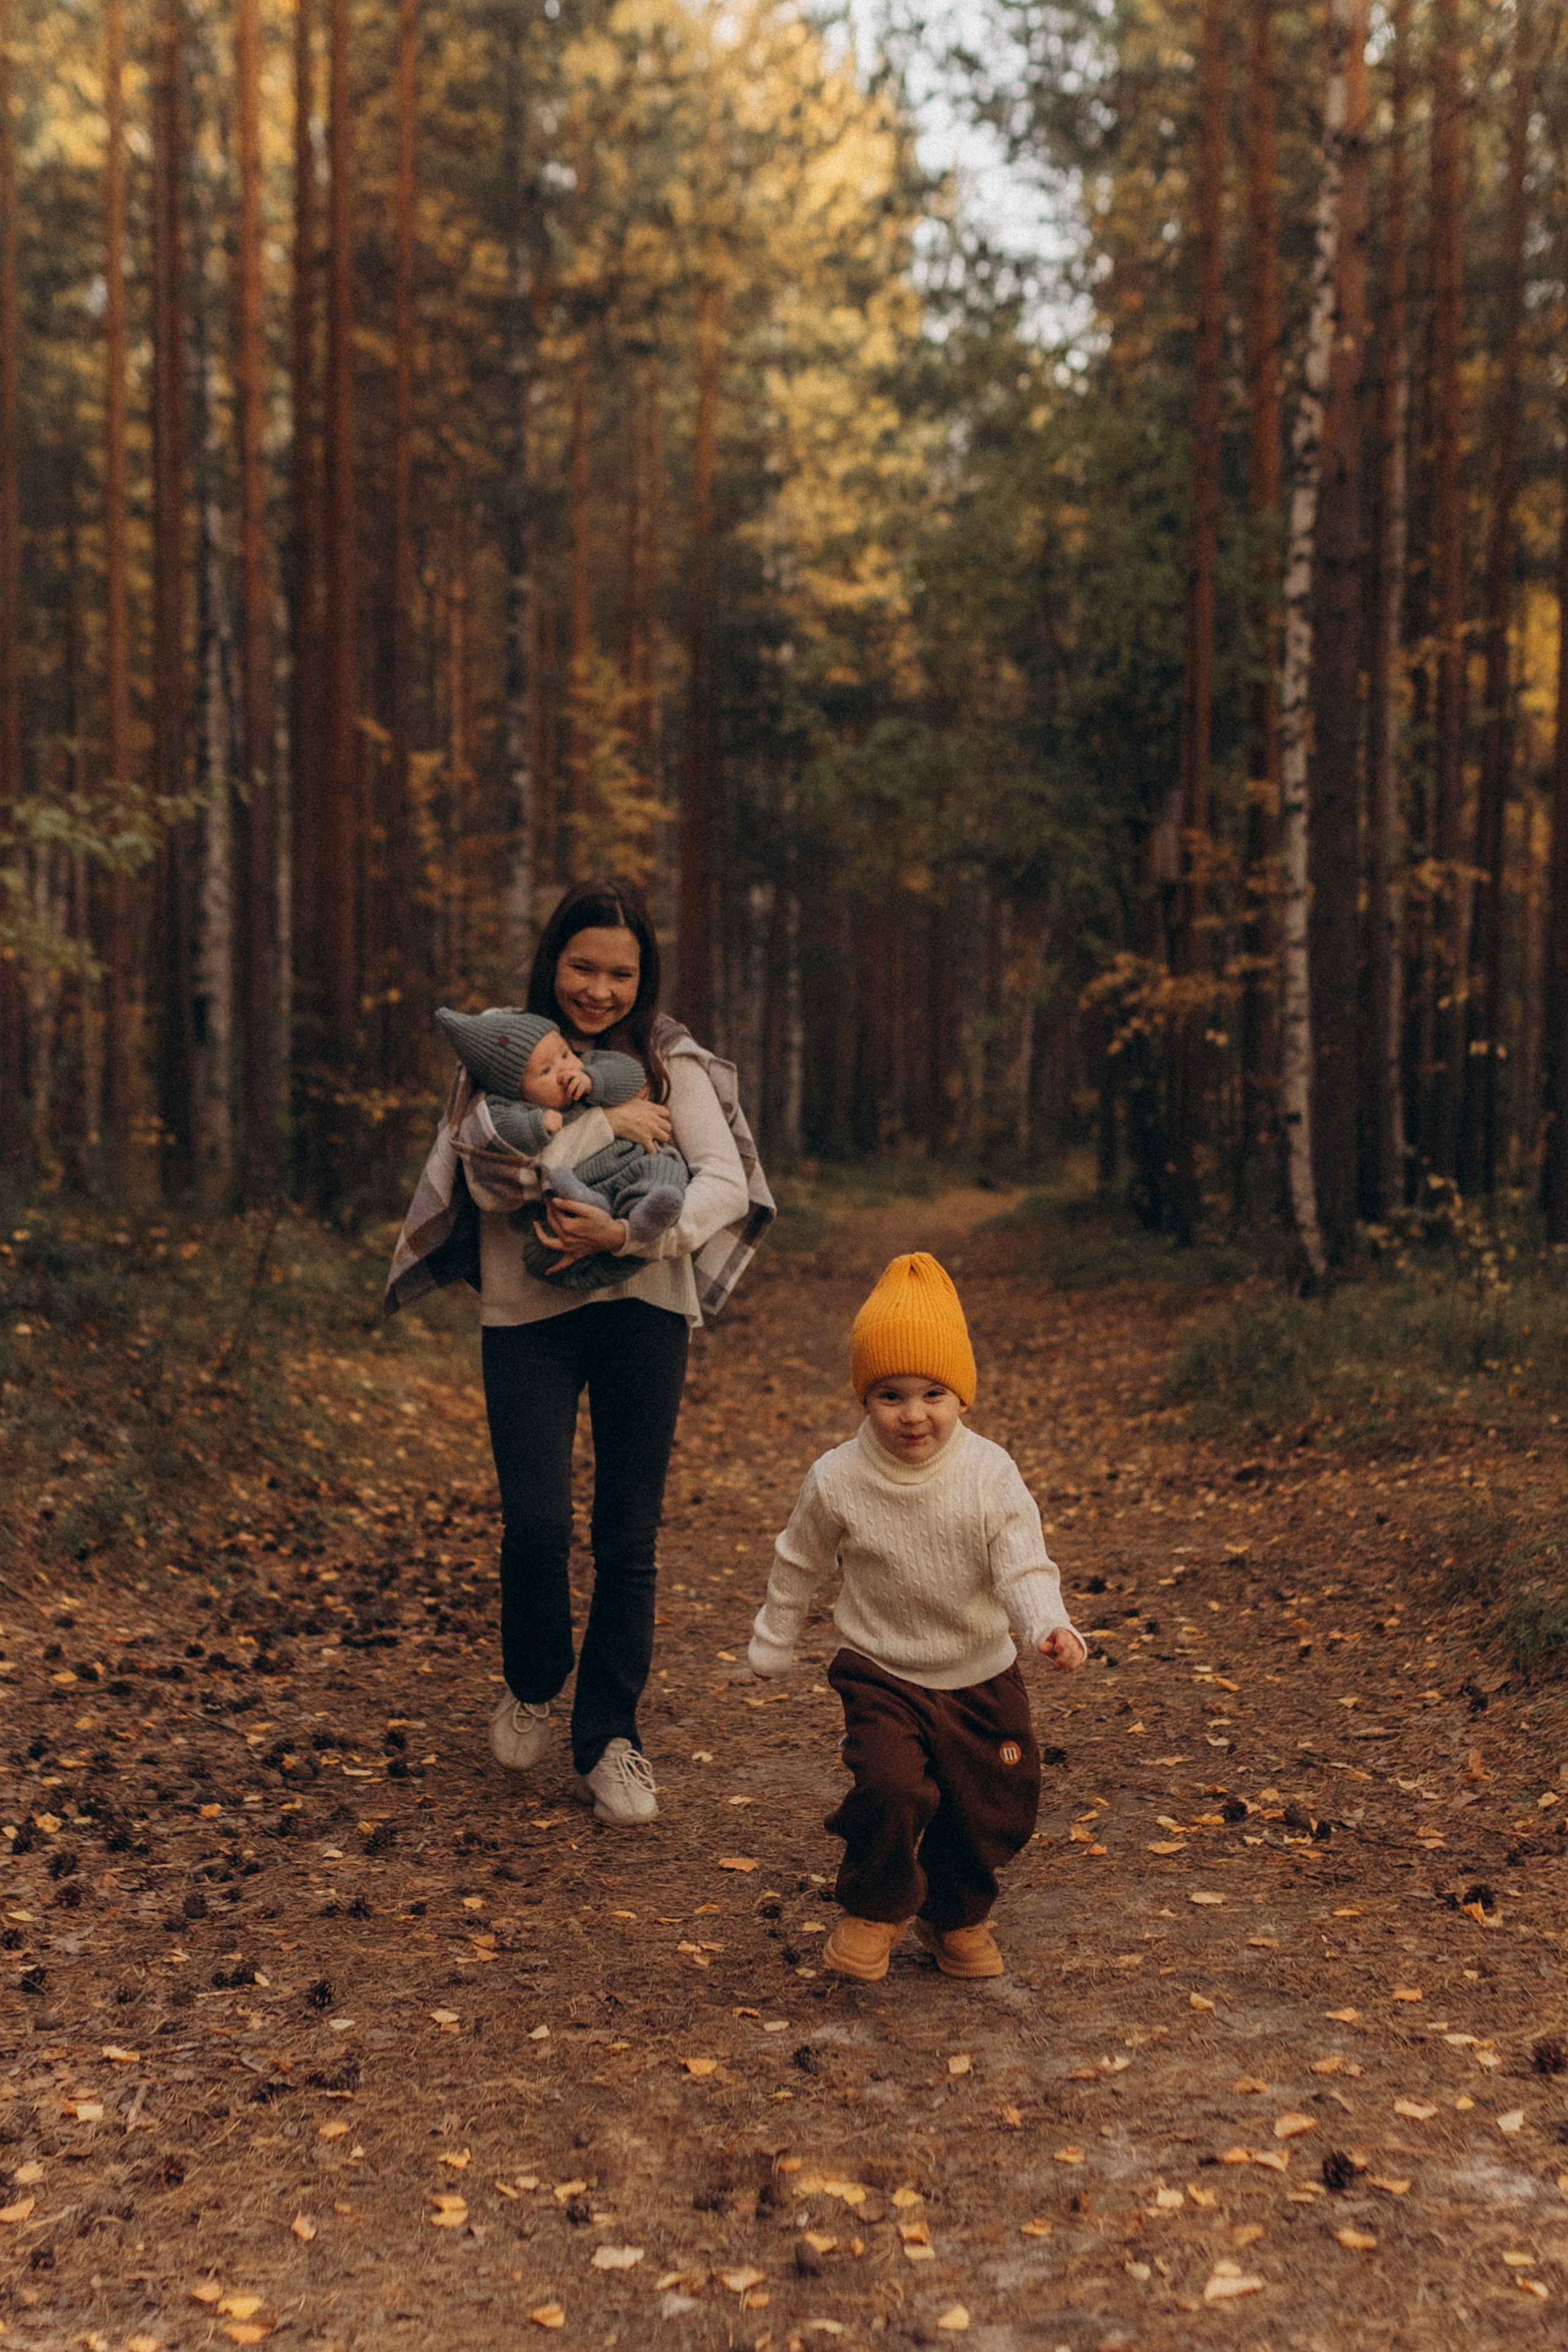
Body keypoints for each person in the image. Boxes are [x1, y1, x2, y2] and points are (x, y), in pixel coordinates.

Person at [415, 878, 772, 1826]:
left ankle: (611, 1737)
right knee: (534, 1521)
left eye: (622, 973)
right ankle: (534, 1677)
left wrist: (630, 1240)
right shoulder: (507, 1051)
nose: (600, 990)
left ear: (643, 976)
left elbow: (723, 1181)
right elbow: (487, 1181)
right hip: (524, 1312)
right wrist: (604, 1127)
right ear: (552, 960)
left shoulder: (668, 1058)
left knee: (628, 1534)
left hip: (643, 1309)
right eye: (583, 966)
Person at [747, 1252, 1087, 1980]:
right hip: (882, 1668)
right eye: (890, 1395)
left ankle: (953, 1915)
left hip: (981, 1671)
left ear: (962, 1396)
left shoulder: (988, 1472)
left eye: (934, 1393)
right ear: (864, 1398)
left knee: (996, 1804)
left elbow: (1021, 1562)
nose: (913, 1415)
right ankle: (874, 1908)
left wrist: (1046, 1625)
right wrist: (775, 1635)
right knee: (891, 1788)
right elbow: (798, 1559)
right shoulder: (837, 1478)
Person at [432, 1006, 690, 1291]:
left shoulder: (589, 1066)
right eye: (546, 1071)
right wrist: (535, 1123)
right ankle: (604, 1226)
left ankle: (644, 1219)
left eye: (565, 1054)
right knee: (539, 1254)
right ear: (515, 1092)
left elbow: (630, 1072)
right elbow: (499, 1131)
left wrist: (595, 1081)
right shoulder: (506, 1107)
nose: (565, 1070)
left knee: (663, 1167)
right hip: (572, 1196)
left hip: (630, 1168)